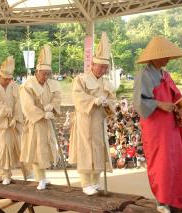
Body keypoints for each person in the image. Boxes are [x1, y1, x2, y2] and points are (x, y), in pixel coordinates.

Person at [133, 36, 182, 212]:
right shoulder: (143, 75)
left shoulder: (165, 75)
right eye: (166, 55)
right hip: (156, 127)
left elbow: (176, 96)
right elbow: (138, 102)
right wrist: (159, 103)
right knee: (162, 162)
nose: (168, 59)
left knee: (180, 159)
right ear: (155, 56)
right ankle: (162, 201)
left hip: (171, 124)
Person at [69, 32, 116, 195]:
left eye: (105, 67)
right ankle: (85, 183)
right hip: (85, 121)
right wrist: (93, 101)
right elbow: (77, 97)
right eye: (101, 67)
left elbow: (113, 103)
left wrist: (107, 104)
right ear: (93, 65)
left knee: (99, 149)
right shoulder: (81, 80)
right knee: (86, 149)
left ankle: (95, 182)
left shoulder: (107, 83)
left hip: (99, 122)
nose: (103, 70)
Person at [19, 45, 61, 190]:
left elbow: (57, 97)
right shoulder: (27, 86)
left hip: (47, 123)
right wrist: (43, 113)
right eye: (43, 74)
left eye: (48, 74)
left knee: (46, 149)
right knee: (36, 150)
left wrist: (53, 107)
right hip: (35, 123)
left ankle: (43, 176)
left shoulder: (52, 84)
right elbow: (27, 106)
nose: (46, 77)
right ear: (37, 72)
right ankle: (40, 178)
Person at [0, 56, 23, 185]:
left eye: (10, 79)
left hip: (13, 123)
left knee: (17, 146)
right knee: (4, 147)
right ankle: (5, 174)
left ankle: (18, 172)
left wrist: (16, 118)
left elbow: (18, 104)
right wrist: (3, 110)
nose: (8, 81)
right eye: (6, 79)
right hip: (1, 125)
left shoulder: (14, 87)